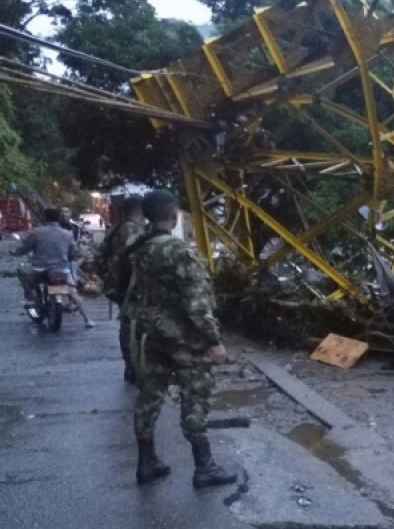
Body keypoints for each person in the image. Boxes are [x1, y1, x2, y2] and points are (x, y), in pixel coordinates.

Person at [122, 189, 238, 488]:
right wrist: (214, 341)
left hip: (149, 334)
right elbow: (196, 302)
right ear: (174, 215)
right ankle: (205, 467)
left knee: (149, 396)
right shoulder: (179, 251)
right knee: (195, 396)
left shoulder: (138, 247)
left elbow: (123, 286)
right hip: (184, 339)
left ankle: (146, 462)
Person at [14, 208, 96, 328]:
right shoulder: (67, 234)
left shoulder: (36, 232)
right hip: (61, 270)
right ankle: (88, 320)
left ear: (44, 218)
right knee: (73, 293)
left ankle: (30, 297)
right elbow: (73, 252)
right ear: (58, 218)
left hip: (39, 270)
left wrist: (15, 253)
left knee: (21, 270)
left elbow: (25, 248)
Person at [96, 195, 147, 384]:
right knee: (134, 329)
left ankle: (132, 367)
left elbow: (100, 258)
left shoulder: (115, 230)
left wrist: (109, 281)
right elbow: (133, 262)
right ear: (141, 210)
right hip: (132, 288)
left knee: (128, 326)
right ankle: (135, 368)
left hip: (119, 287)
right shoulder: (134, 231)